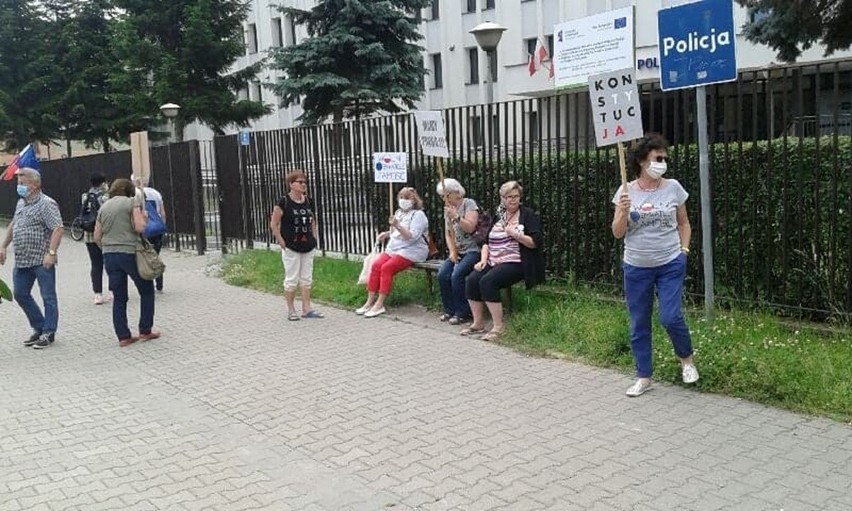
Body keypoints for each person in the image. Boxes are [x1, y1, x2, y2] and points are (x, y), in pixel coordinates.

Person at [611, 133, 699, 397]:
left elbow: (683, 222)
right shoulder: (625, 191)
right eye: (657, 158)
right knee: (639, 322)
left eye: (664, 158)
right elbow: (617, 233)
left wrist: (684, 250)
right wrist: (624, 211)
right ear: (641, 161)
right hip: (636, 265)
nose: (662, 163)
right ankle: (644, 376)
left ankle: (687, 360)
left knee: (670, 316)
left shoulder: (673, 187)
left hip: (670, 262)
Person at [463, 180, 544, 342]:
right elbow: (486, 241)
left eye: (516, 196)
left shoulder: (527, 215)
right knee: (472, 279)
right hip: (493, 260)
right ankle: (478, 323)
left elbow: (535, 243)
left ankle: (499, 326)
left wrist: (515, 234)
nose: (513, 200)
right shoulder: (499, 214)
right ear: (502, 198)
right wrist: (483, 260)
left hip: (516, 262)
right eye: (509, 197)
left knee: (488, 281)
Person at [0, 167, 64, 349]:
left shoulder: (46, 203)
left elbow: (58, 228)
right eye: (18, 183)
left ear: (34, 185)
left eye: (22, 183)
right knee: (20, 293)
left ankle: (49, 332)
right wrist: (3, 246)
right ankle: (39, 326)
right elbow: (14, 224)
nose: (19, 186)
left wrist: (51, 253)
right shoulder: (22, 203)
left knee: (48, 297)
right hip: (22, 260)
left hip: (41, 260)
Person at [95, 178, 159, 347]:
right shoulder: (132, 203)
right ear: (128, 190)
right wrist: (144, 218)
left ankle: (123, 336)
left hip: (109, 254)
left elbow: (97, 236)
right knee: (146, 289)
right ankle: (145, 330)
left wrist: (107, 247)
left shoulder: (104, 206)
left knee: (119, 296)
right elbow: (139, 227)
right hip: (130, 252)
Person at [356, 187, 429, 318]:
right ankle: (370, 301)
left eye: (407, 198)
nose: (403, 200)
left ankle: (380, 303)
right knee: (376, 265)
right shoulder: (398, 213)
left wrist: (397, 226)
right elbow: (396, 233)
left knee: (387, 268)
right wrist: (387, 233)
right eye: (401, 197)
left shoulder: (419, 215)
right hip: (395, 248)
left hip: (411, 250)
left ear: (414, 200)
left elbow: (411, 236)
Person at [269, 170, 322, 321]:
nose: (303, 184)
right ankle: (291, 309)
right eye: (300, 182)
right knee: (292, 278)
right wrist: (281, 241)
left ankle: (307, 308)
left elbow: (312, 220)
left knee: (306, 278)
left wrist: (314, 236)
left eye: (305, 182)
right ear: (291, 184)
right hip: (291, 245)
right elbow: (274, 223)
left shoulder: (308, 201)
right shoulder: (283, 202)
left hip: (307, 245)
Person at [436, 178, 480, 325]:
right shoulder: (447, 210)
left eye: (446, 195)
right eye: (442, 196)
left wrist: (456, 216)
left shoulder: (469, 204)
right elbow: (448, 234)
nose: (444, 198)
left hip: (473, 250)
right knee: (443, 274)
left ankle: (463, 312)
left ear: (456, 192)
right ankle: (450, 309)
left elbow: (471, 227)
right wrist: (452, 251)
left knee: (457, 274)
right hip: (458, 250)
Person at [132, 175, 166, 292]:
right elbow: (162, 213)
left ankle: (148, 280)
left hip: (146, 230)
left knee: (145, 257)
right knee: (155, 255)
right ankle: (159, 282)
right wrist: (162, 226)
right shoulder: (156, 193)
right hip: (157, 230)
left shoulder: (137, 194)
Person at [82, 173, 110, 304]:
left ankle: (97, 294)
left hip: (89, 235)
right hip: (104, 234)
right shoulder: (105, 197)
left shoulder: (85, 196)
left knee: (95, 264)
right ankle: (112, 290)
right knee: (109, 262)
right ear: (103, 183)